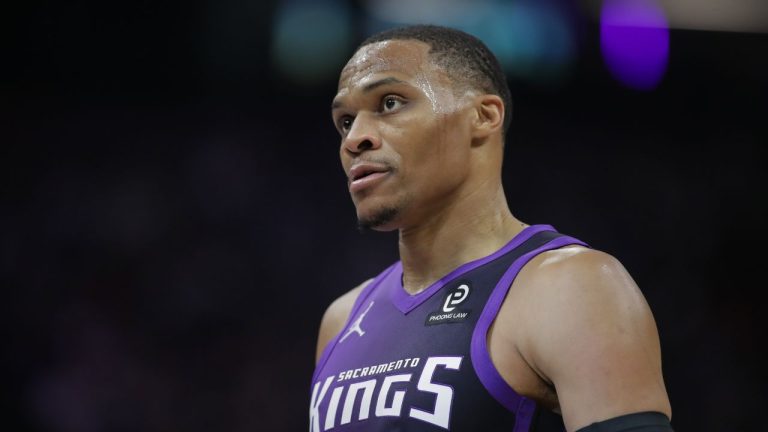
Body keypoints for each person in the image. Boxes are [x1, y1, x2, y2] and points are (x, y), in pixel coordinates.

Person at [310, 25, 672, 432]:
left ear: (483, 116)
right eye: (344, 121)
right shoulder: (341, 320)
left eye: (390, 103)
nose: (354, 139)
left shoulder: (572, 287)